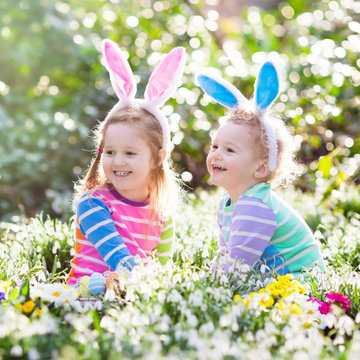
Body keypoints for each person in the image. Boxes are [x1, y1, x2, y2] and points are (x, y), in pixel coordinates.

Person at [66, 39, 185, 285]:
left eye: (130, 153)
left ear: (158, 158)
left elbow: (163, 270)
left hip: (132, 296)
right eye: (110, 152)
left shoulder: (161, 214)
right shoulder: (92, 204)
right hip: (87, 294)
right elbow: (120, 260)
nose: (117, 161)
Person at [197, 62, 325, 275]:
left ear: (261, 168)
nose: (217, 154)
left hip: (299, 279)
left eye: (230, 150)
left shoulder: (255, 207)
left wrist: (207, 286)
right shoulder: (229, 203)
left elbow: (237, 269)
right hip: (270, 276)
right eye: (215, 146)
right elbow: (227, 254)